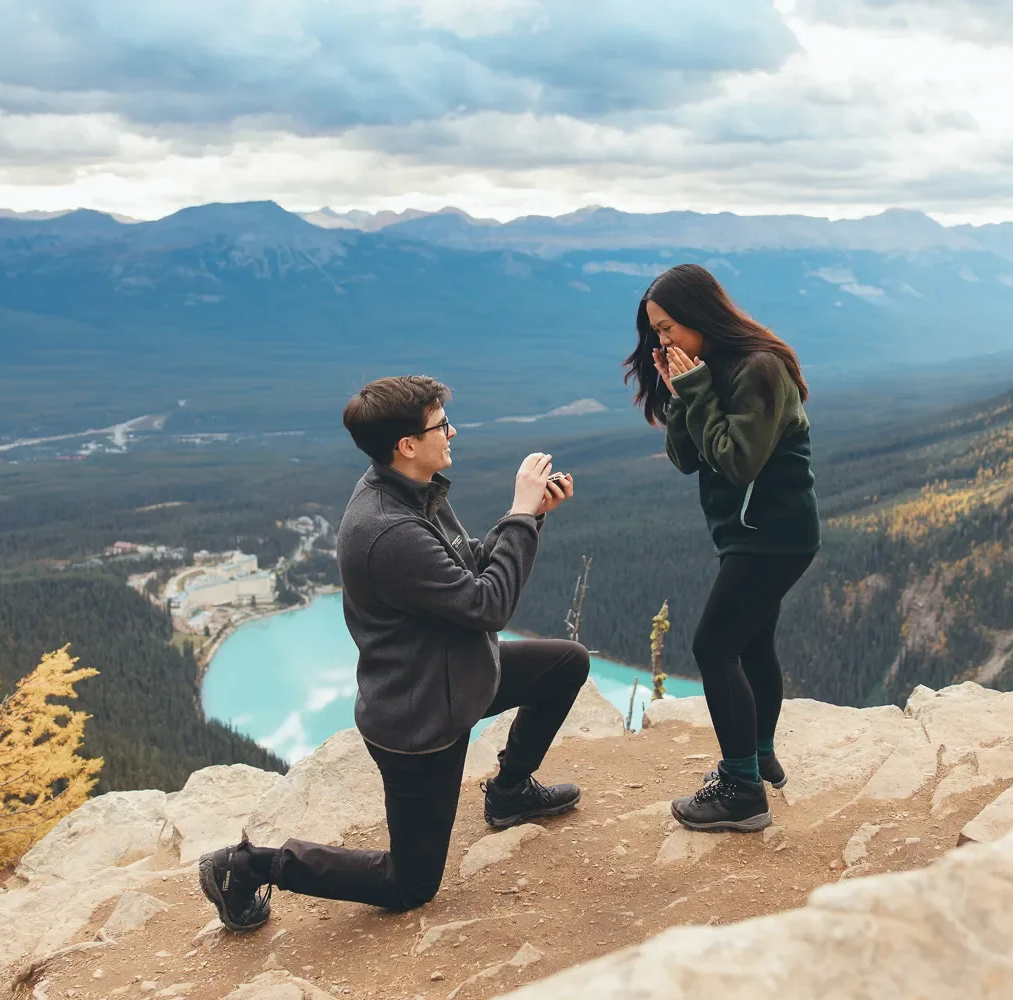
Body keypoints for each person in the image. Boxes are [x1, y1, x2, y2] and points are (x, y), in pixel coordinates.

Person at [198, 375, 588, 931]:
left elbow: (467, 563)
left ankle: (509, 793)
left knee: (566, 663)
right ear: (407, 444)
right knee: (411, 884)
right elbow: (488, 605)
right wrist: (521, 515)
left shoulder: (415, 488)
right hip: (421, 719)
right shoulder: (387, 528)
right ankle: (247, 865)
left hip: (462, 676)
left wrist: (531, 514)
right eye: (441, 424)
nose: (452, 432)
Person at [625, 264, 820, 833]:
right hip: (752, 535)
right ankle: (759, 757)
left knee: (714, 646)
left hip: (772, 537)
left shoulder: (759, 368)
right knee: (752, 644)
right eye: (656, 332)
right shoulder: (709, 370)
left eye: (667, 328)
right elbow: (688, 457)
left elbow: (738, 462)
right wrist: (680, 394)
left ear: (700, 314)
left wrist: (695, 390)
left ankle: (741, 789)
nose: (662, 341)